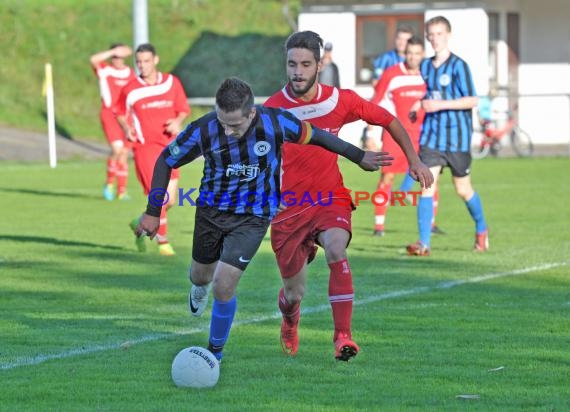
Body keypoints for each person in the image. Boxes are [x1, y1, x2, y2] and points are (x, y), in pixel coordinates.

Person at [134, 77, 392, 362]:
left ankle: (213, 355)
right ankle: (198, 287)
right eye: (223, 122)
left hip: (253, 217)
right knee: (201, 276)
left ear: (252, 113)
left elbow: (320, 136)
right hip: (211, 213)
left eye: (235, 125)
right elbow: (165, 160)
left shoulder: (276, 123)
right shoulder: (205, 129)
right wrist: (153, 212)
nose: (228, 131)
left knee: (224, 284)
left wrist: (358, 156)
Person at [263, 31, 433, 361]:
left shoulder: (339, 100)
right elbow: (259, 158)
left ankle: (343, 337)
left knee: (337, 250)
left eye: (305, 64)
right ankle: (289, 317)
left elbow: (388, 119)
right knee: (293, 293)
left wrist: (413, 160)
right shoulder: (273, 108)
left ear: (320, 64)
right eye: (292, 64)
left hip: (330, 198)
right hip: (290, 208)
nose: (297, 71)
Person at [406, 16, 489, 256]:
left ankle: (481, 229)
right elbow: (427, 96)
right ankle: (424, 244)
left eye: (439, 34)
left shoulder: (459, 66)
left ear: (448, 35)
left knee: (463, 190)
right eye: (431, 34)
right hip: (432, 138)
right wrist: (417, 105)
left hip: (457, 138)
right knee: (426, 187)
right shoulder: (425, 66)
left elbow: (472, 99)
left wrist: (439, 105)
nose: (434, 39)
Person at [116, 43, 190, 256]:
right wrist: (126, 128)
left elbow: (183, 109)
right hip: (145, 148)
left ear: (155, 60)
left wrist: (177, 121)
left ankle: (140, 223)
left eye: (146, 61)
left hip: (171, 148)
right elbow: (119, 112)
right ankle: (163, 243)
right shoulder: (130, 89)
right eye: (138, 62)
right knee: (160, 197)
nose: (142, 65)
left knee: (171, 200)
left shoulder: (171, 82)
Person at [369, 37, 444, 237]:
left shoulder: (430, 74)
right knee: (387, 177)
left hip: (424, 136)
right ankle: (379, 226)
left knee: (430, 177)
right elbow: (374, 104)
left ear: (423, 54)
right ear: (405, 53)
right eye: (410, 53)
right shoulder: (391, 74)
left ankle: (432, 223)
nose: (413, 57)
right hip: (395, 135)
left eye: (417, 53)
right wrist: (371, 133)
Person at [90, 43, 136, 201]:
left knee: (124, 153)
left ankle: (122, 190)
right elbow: (93, 59)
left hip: (126, 116)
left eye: (120, 55)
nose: (118, 59)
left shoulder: (130, 73)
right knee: (116, 150)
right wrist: (111, 51)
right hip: (109, 114)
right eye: (115, 56)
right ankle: (109, 183)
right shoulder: (105, 70)